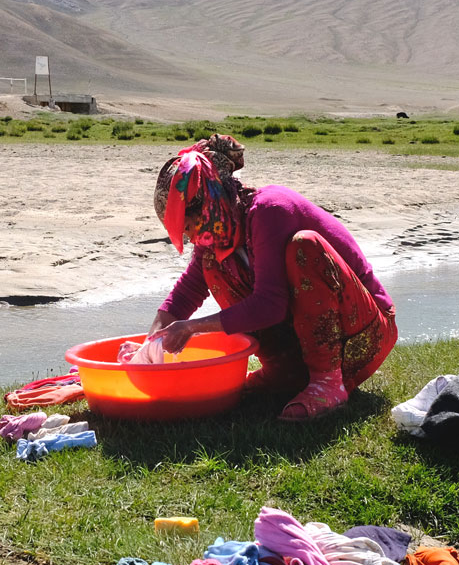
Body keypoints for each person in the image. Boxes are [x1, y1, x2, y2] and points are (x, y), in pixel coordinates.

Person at [147, 134, 398, 421]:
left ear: (209, 206)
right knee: (211, 265)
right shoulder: (219, 235)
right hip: (310, 343)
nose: (190, 238)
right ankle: (281, 373)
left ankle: (327, 381)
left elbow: (270, 305)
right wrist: (150, 342)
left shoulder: (269, 211)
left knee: (305, 247)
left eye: (189, 226)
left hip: (364, 335)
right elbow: (188, 290)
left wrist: (192, 328)